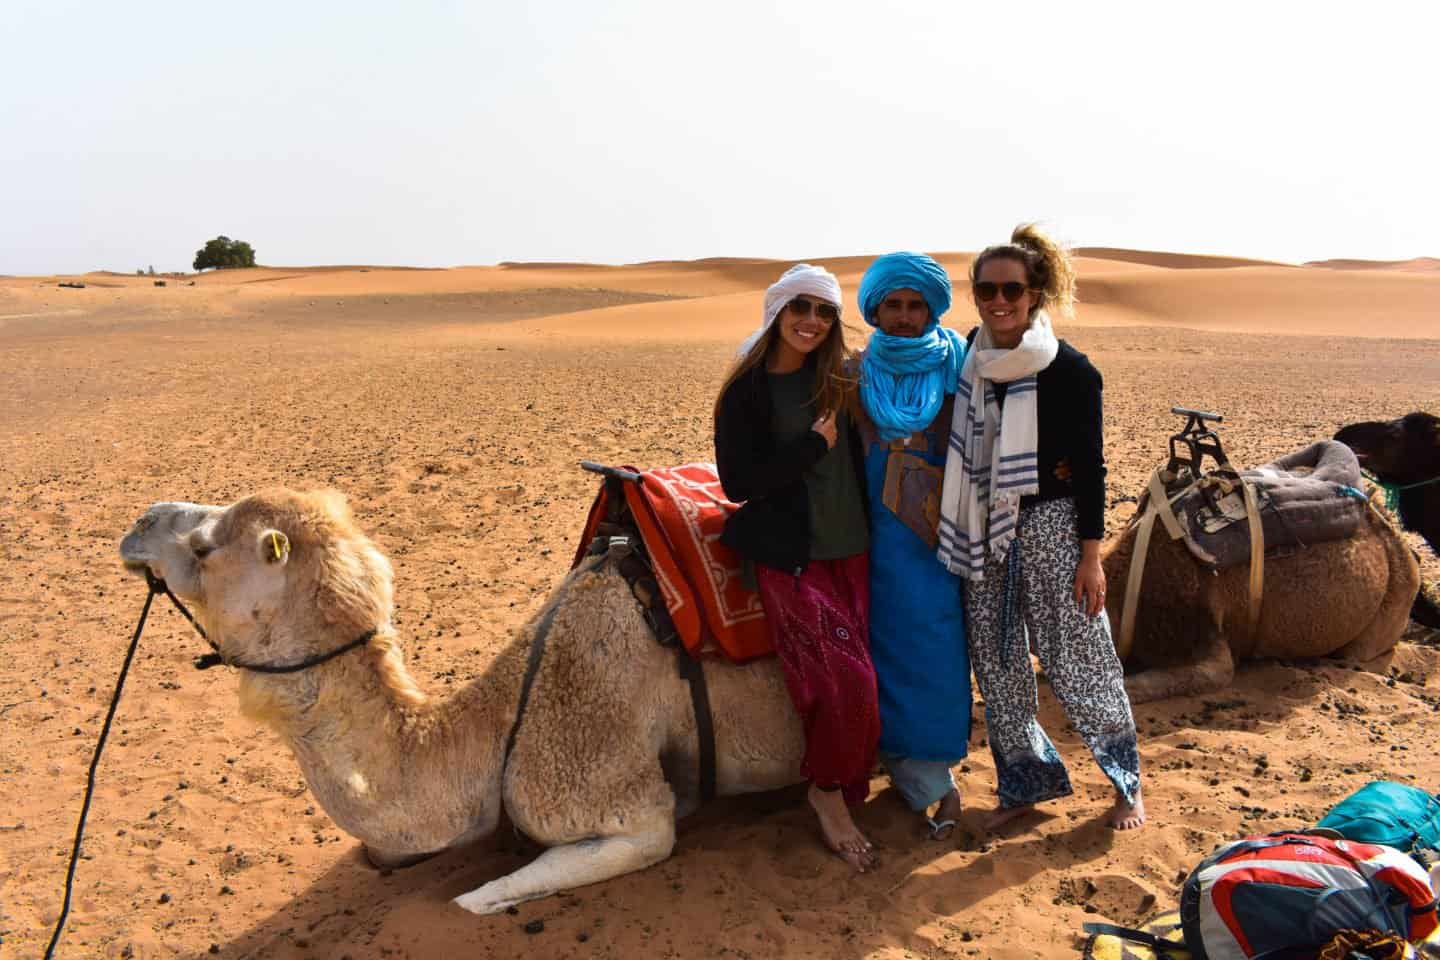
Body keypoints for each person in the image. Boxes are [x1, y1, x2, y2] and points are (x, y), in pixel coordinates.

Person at [938, 224, 1145, 831]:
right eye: (986, 289)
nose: (998, 301)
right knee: (997, 664)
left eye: (1011, 289)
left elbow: (1090, 467)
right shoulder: (968, 357)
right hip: (982, 526)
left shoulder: (1070, 371)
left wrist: (1091, 556)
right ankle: (1026, 784)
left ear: (1035, 295)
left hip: (1052, 524)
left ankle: (1126, 782)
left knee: (1081, 653)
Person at [713, 263, 882, 871]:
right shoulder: (748, 390)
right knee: (847, 684)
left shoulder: (840, 380)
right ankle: (827, 794)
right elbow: (738, 482)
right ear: (778, 313)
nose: (811, 321)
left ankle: (844, 779)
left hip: (853, 547)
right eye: (800, 308)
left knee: (863, 676)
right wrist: (812, 446)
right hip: (792, 556)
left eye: (824, 312)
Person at [854, 252, 972, 840]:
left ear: (932, 308)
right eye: (893, 305)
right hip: (869, 543)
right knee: (878, 652)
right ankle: (893, 767)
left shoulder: (959, 368)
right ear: (875, 308)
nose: (903, 317)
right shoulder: (853, 372)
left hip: (936, 543)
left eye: (915, 305)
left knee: (934, 652)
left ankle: (934, 775)